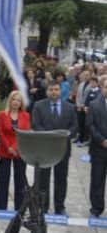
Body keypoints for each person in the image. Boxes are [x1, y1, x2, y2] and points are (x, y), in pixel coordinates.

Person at [32, 80, 78, 215]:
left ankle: (60, 207)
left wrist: (65, 135)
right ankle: (43, 206)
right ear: (47, 91)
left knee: (61, 178)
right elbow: (36, 124)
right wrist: (48, 136)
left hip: (62, 148)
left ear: (60, 91)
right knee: (43, 179)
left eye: (56, 89)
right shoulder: (39, 105)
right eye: (51, 89)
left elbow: (74, 127)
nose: (53, 92)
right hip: (45, 149)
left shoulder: (70, 107)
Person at [0, 91, 31, 212]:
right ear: (10, 101)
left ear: (21, 103)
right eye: (14, 99)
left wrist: (15, 147)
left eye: (18, 100)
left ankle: (19, 209)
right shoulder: (2, 114)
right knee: (3, 181)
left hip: (20, 151)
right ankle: (0, 208)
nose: (16, 102)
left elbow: (25, 132)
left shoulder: (26, 116)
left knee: (20, 182)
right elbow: (0, 132)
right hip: (4, 150)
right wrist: (9, 147)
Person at [86, 78, 107, 217]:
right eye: (106, 86)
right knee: (97, 180)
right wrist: (102, 140)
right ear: (102, 87)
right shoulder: (94, 105)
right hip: (99, 148)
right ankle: (96, 208)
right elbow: (90, 125)